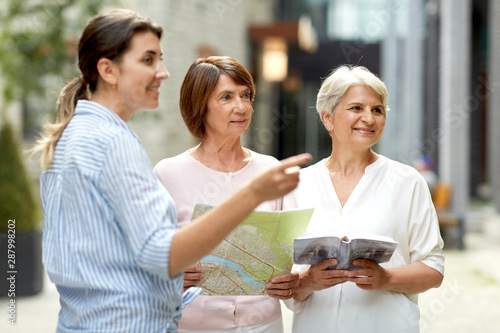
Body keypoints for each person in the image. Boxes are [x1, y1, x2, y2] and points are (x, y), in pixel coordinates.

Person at [32, 10, 310, 333]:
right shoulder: (112, 144)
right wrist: (254, 195)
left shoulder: (73, 135)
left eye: (160, 59)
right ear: (108, 70)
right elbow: (162, 255)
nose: (162, 72)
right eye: (148, 60)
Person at [266, 65, 444, 332]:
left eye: (377, 110)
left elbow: (433, 269)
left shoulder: (407, 182)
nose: (369, 119)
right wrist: (310, 281)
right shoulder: (297, 185)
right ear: (328, 118)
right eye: (356, 108)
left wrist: (385, 277)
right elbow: (284, 278)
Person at [153, 56, 286, 333]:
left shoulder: (270, 169)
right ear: (200, 106)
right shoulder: (169, 173)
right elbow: (149, 256)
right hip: (194, 324)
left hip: (263, 322)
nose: (241, 107)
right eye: (226, 97)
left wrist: (291, 278)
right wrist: (171, 273)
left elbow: (288, 253)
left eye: (245, 95)